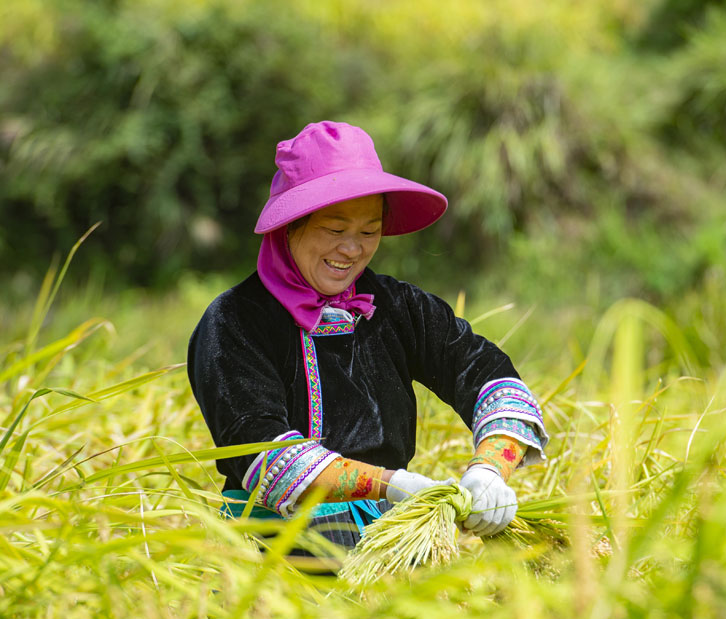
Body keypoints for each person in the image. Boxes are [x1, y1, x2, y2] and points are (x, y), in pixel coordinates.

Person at [187, 121, 547, 550]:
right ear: (289, 227)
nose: (353, 249)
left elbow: (493, 381)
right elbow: (264, 455)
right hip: (274, 538)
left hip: (392, 533)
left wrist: (489, 470)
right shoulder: (236, 321)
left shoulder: (397, 307)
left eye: (369, 231)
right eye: (335, 230)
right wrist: (392, 485)